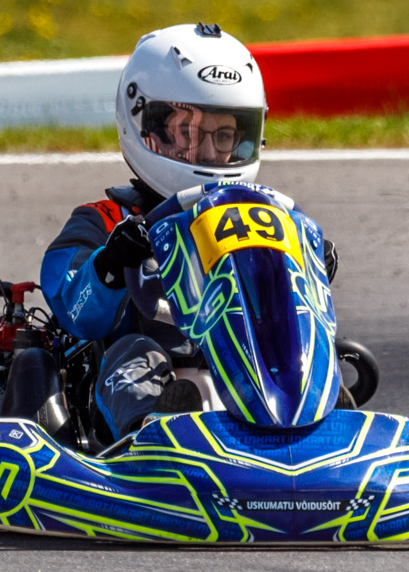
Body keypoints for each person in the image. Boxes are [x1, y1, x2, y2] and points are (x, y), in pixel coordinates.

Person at [39, 22, 336, 439]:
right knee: (137, 355)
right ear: (147, 125)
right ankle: (153, 436)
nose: (210, 152)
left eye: (225, 135)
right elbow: (74, 310)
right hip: (130, 387)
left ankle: (324, 431)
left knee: (304, 355)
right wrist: (109, 265)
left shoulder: (265, 219)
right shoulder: (103, 220)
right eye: (189, 132)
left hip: (237, 371)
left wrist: (309, 265)